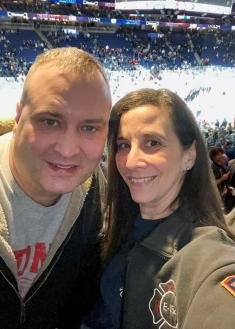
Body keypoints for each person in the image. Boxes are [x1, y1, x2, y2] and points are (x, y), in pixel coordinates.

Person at [83, 88, 235, 329]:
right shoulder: (108, 223)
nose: (131, 162)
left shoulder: (207, 253)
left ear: (190, 155)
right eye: (123, 145)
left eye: (152, 143)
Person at [0, 47, 112, 328]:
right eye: (50, 121)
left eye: (89, 128)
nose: (67, 150)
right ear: (18, 116)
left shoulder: (98, 200)